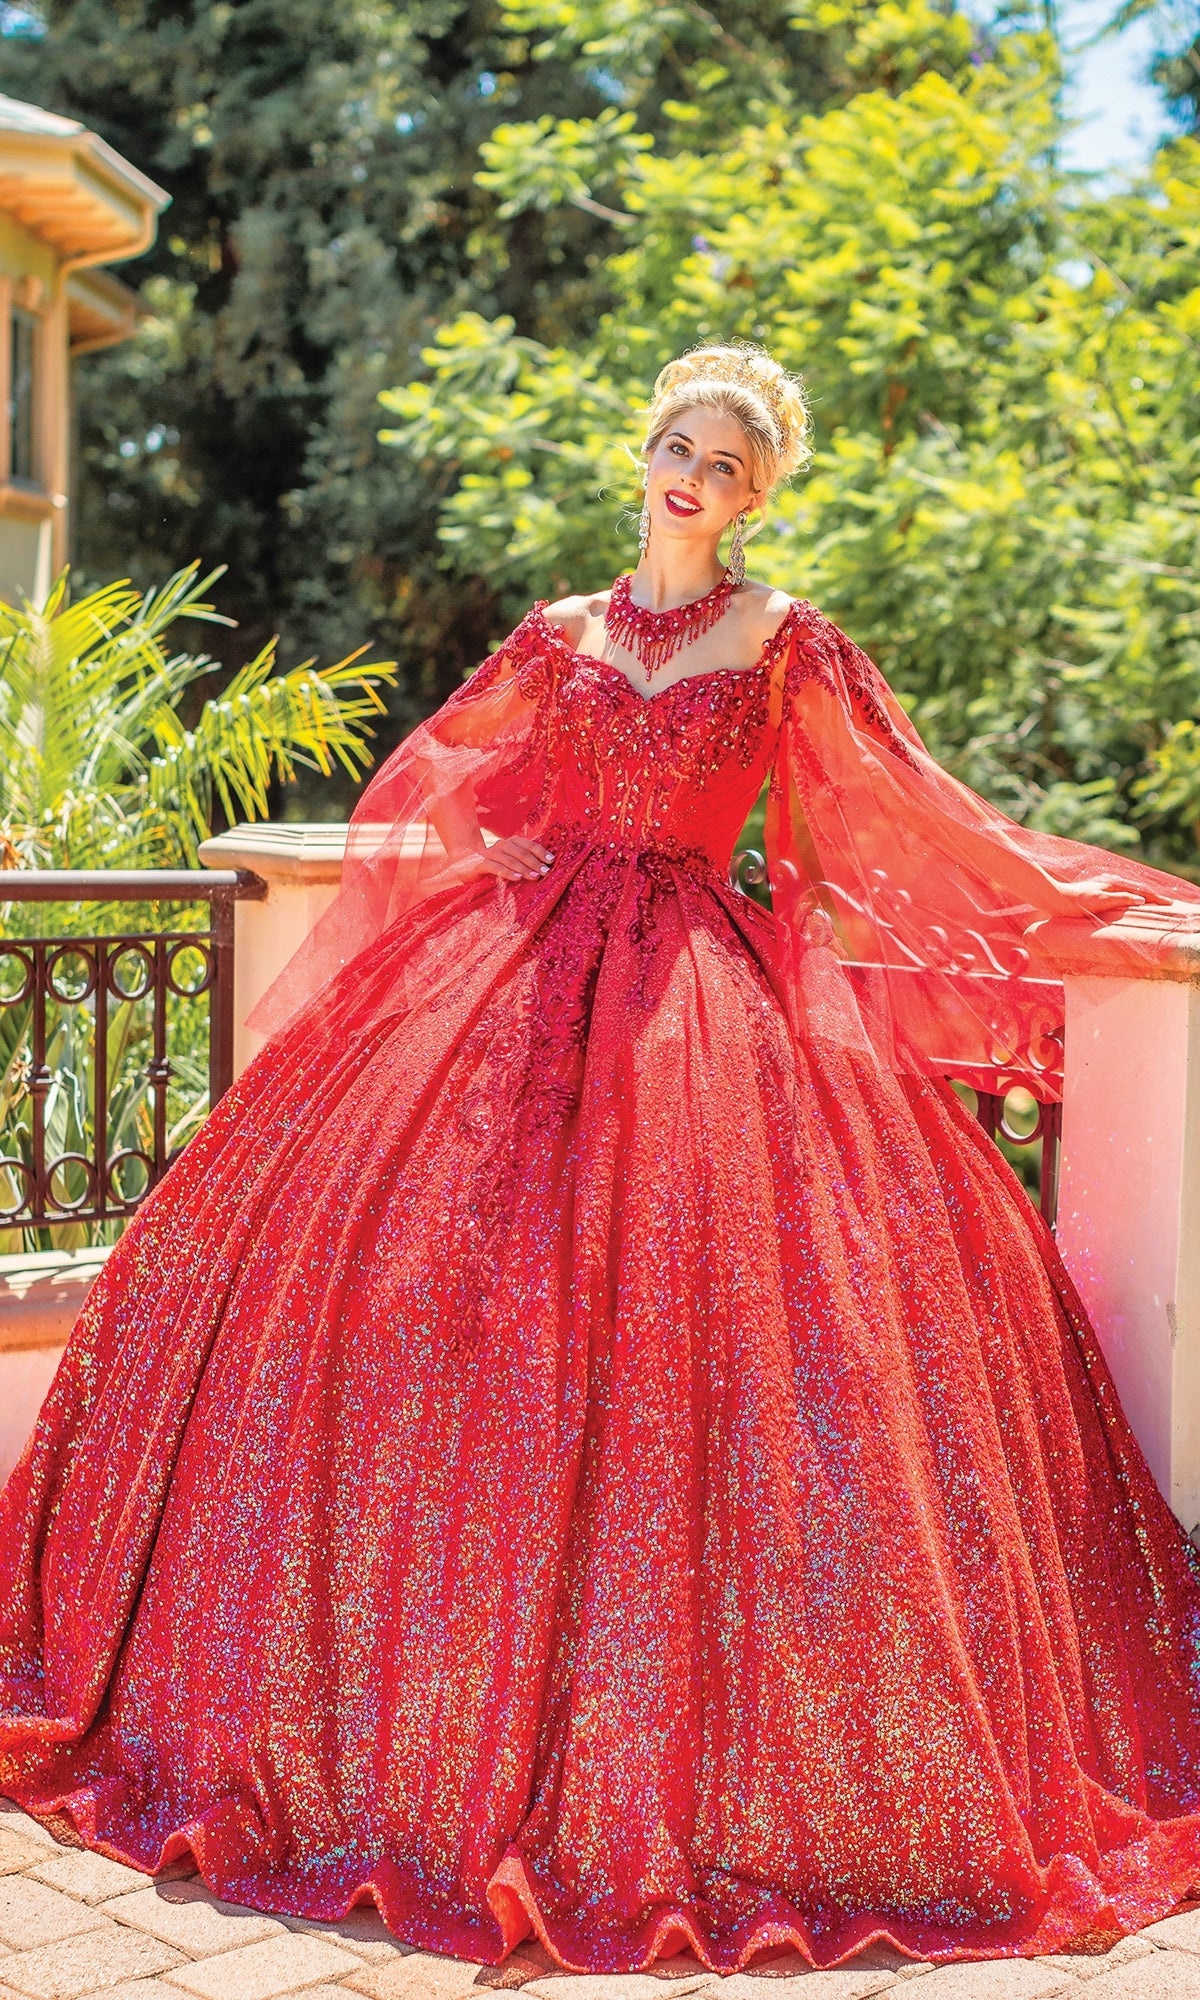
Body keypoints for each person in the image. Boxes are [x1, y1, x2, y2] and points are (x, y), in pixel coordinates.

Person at [4, 343, 1200, 1980]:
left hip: (704, 1000)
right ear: (644, 456)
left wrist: (1063, 905)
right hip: (520, 977)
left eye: (724, 464)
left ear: (755, 494)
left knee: (710, 1339)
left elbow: (895, 819)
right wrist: (502, 841)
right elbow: (452, 774)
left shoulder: (785, 643)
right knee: (411, 1297)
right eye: (675, 447)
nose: (690, 478)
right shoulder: (558, 632)